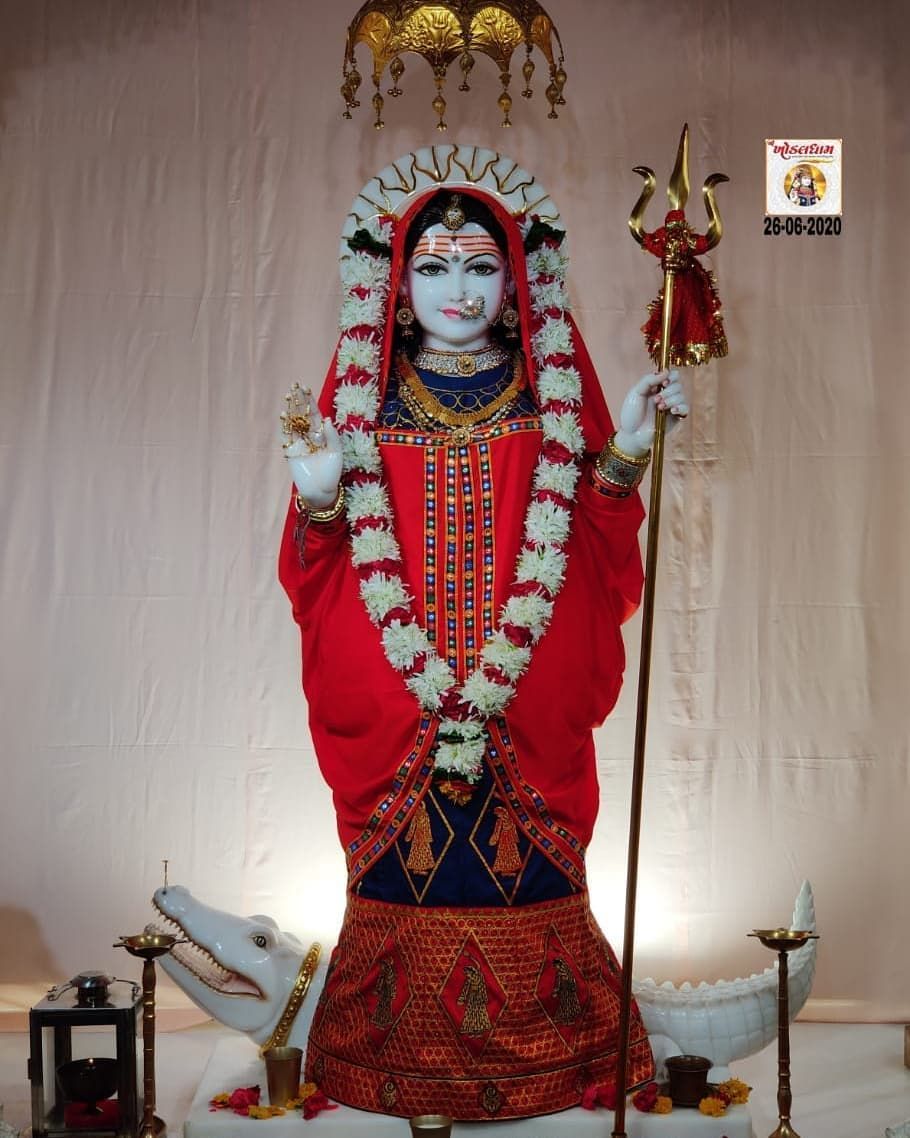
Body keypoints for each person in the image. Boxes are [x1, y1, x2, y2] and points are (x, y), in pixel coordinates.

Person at [279, 171, 687, 1120]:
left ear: (516, 287)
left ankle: (562, 1054)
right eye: (431, 269)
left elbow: (592, 532)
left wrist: (623, 448)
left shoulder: (545, 402)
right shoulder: (363, 406)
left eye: (479, 269)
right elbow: (314, 569)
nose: (457, 292)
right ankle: (388, 1057)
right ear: (395, 287)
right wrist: (322, 495)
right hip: (395, 697)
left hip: (525, 696)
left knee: (534, 869)